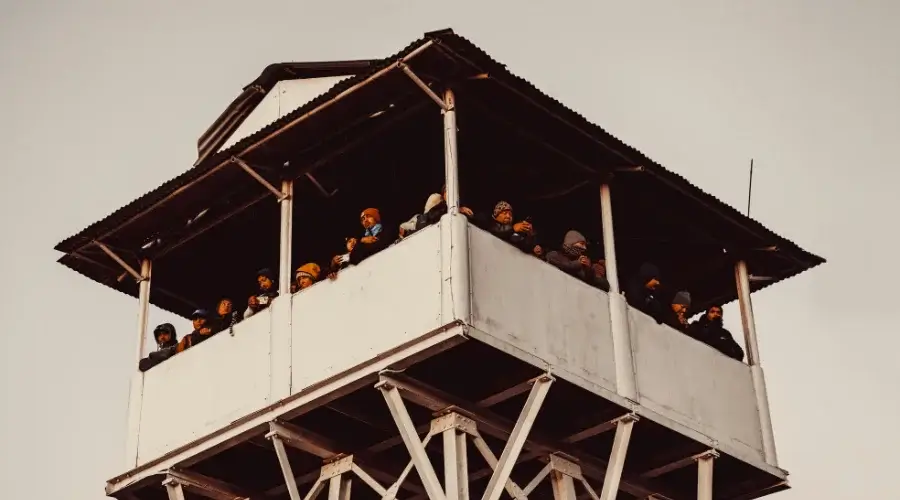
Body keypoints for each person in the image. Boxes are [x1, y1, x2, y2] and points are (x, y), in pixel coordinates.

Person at [330, 208, 394, 279]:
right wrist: (361, 241)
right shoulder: (363, 240)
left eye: (369, 216)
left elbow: (383, 244)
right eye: (363, 219)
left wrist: (364, 246)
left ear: (376, 217)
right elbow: (354, 258)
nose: (365, 220)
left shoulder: (387, 228)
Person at [476, 201, 541, 256]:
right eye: (505, 213)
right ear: (496, 215)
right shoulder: (489, 221)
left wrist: (530, 235)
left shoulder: (512, 232)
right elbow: (496, 231)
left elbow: (523, 244)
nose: (508, 216)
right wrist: (513, 228)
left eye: (510, 214)